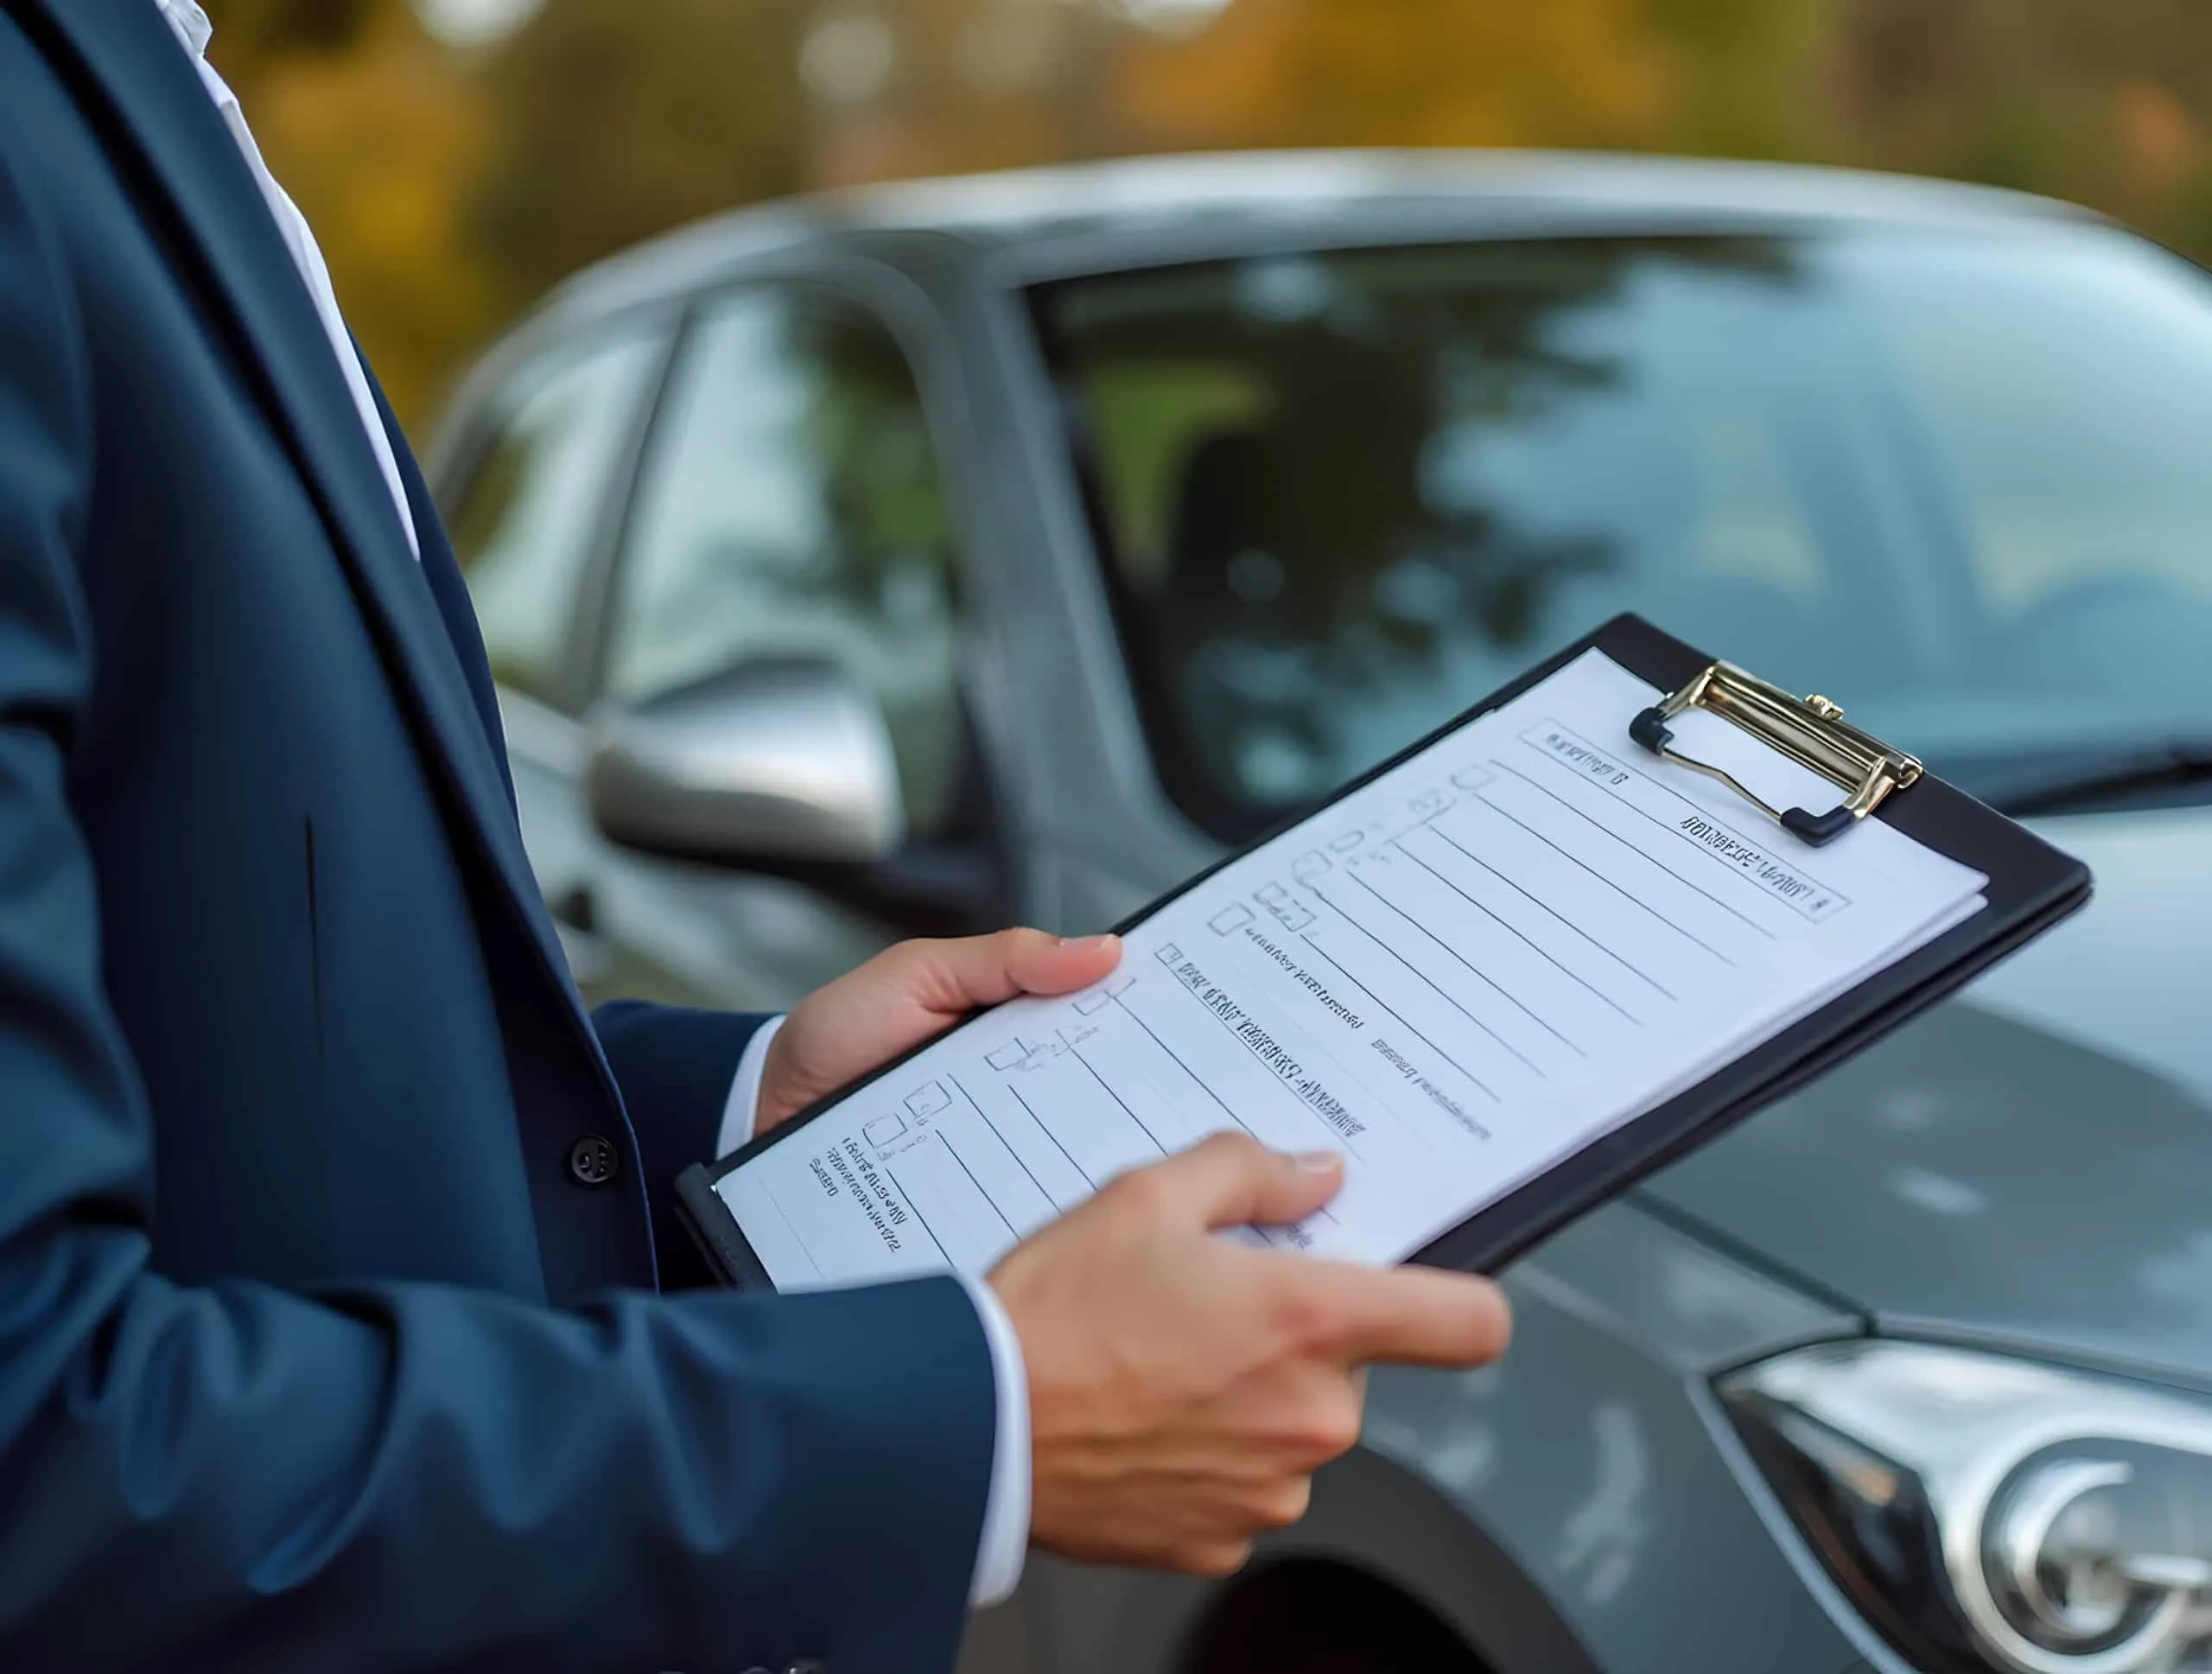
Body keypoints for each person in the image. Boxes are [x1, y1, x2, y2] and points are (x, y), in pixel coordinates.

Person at [0, 0, 1512, 1667]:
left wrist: (744, 1107)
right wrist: (983, 1423)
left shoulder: (142, 86)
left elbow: (224, 1048)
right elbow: (35, 1446)